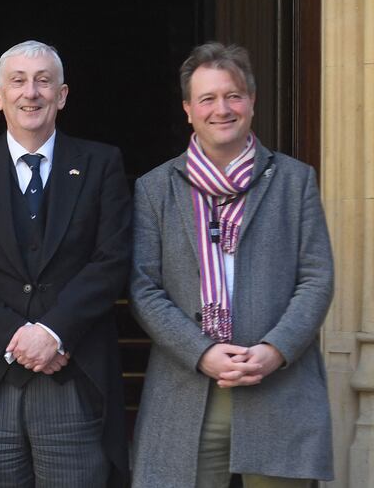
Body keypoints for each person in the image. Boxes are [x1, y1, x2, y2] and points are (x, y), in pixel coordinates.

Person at [130, 42, 334, 487]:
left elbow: (316, 278)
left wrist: (275, 350)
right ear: (188, 109)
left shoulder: (295, 181)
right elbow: (144, 288)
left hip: (278, 387)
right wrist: (201, 352)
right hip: (188, 391)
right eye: (206, 98)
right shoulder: (154, 189)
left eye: (233, 95)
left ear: (252, 102)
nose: (221, 109)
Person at [0, 40, 132, 487]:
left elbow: (111, 261)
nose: (31, 92)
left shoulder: (101, 164)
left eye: (44, 81)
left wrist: (53, 332)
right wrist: (17, 336)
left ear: (62, 95)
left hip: (73, 379)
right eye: (18, 81)